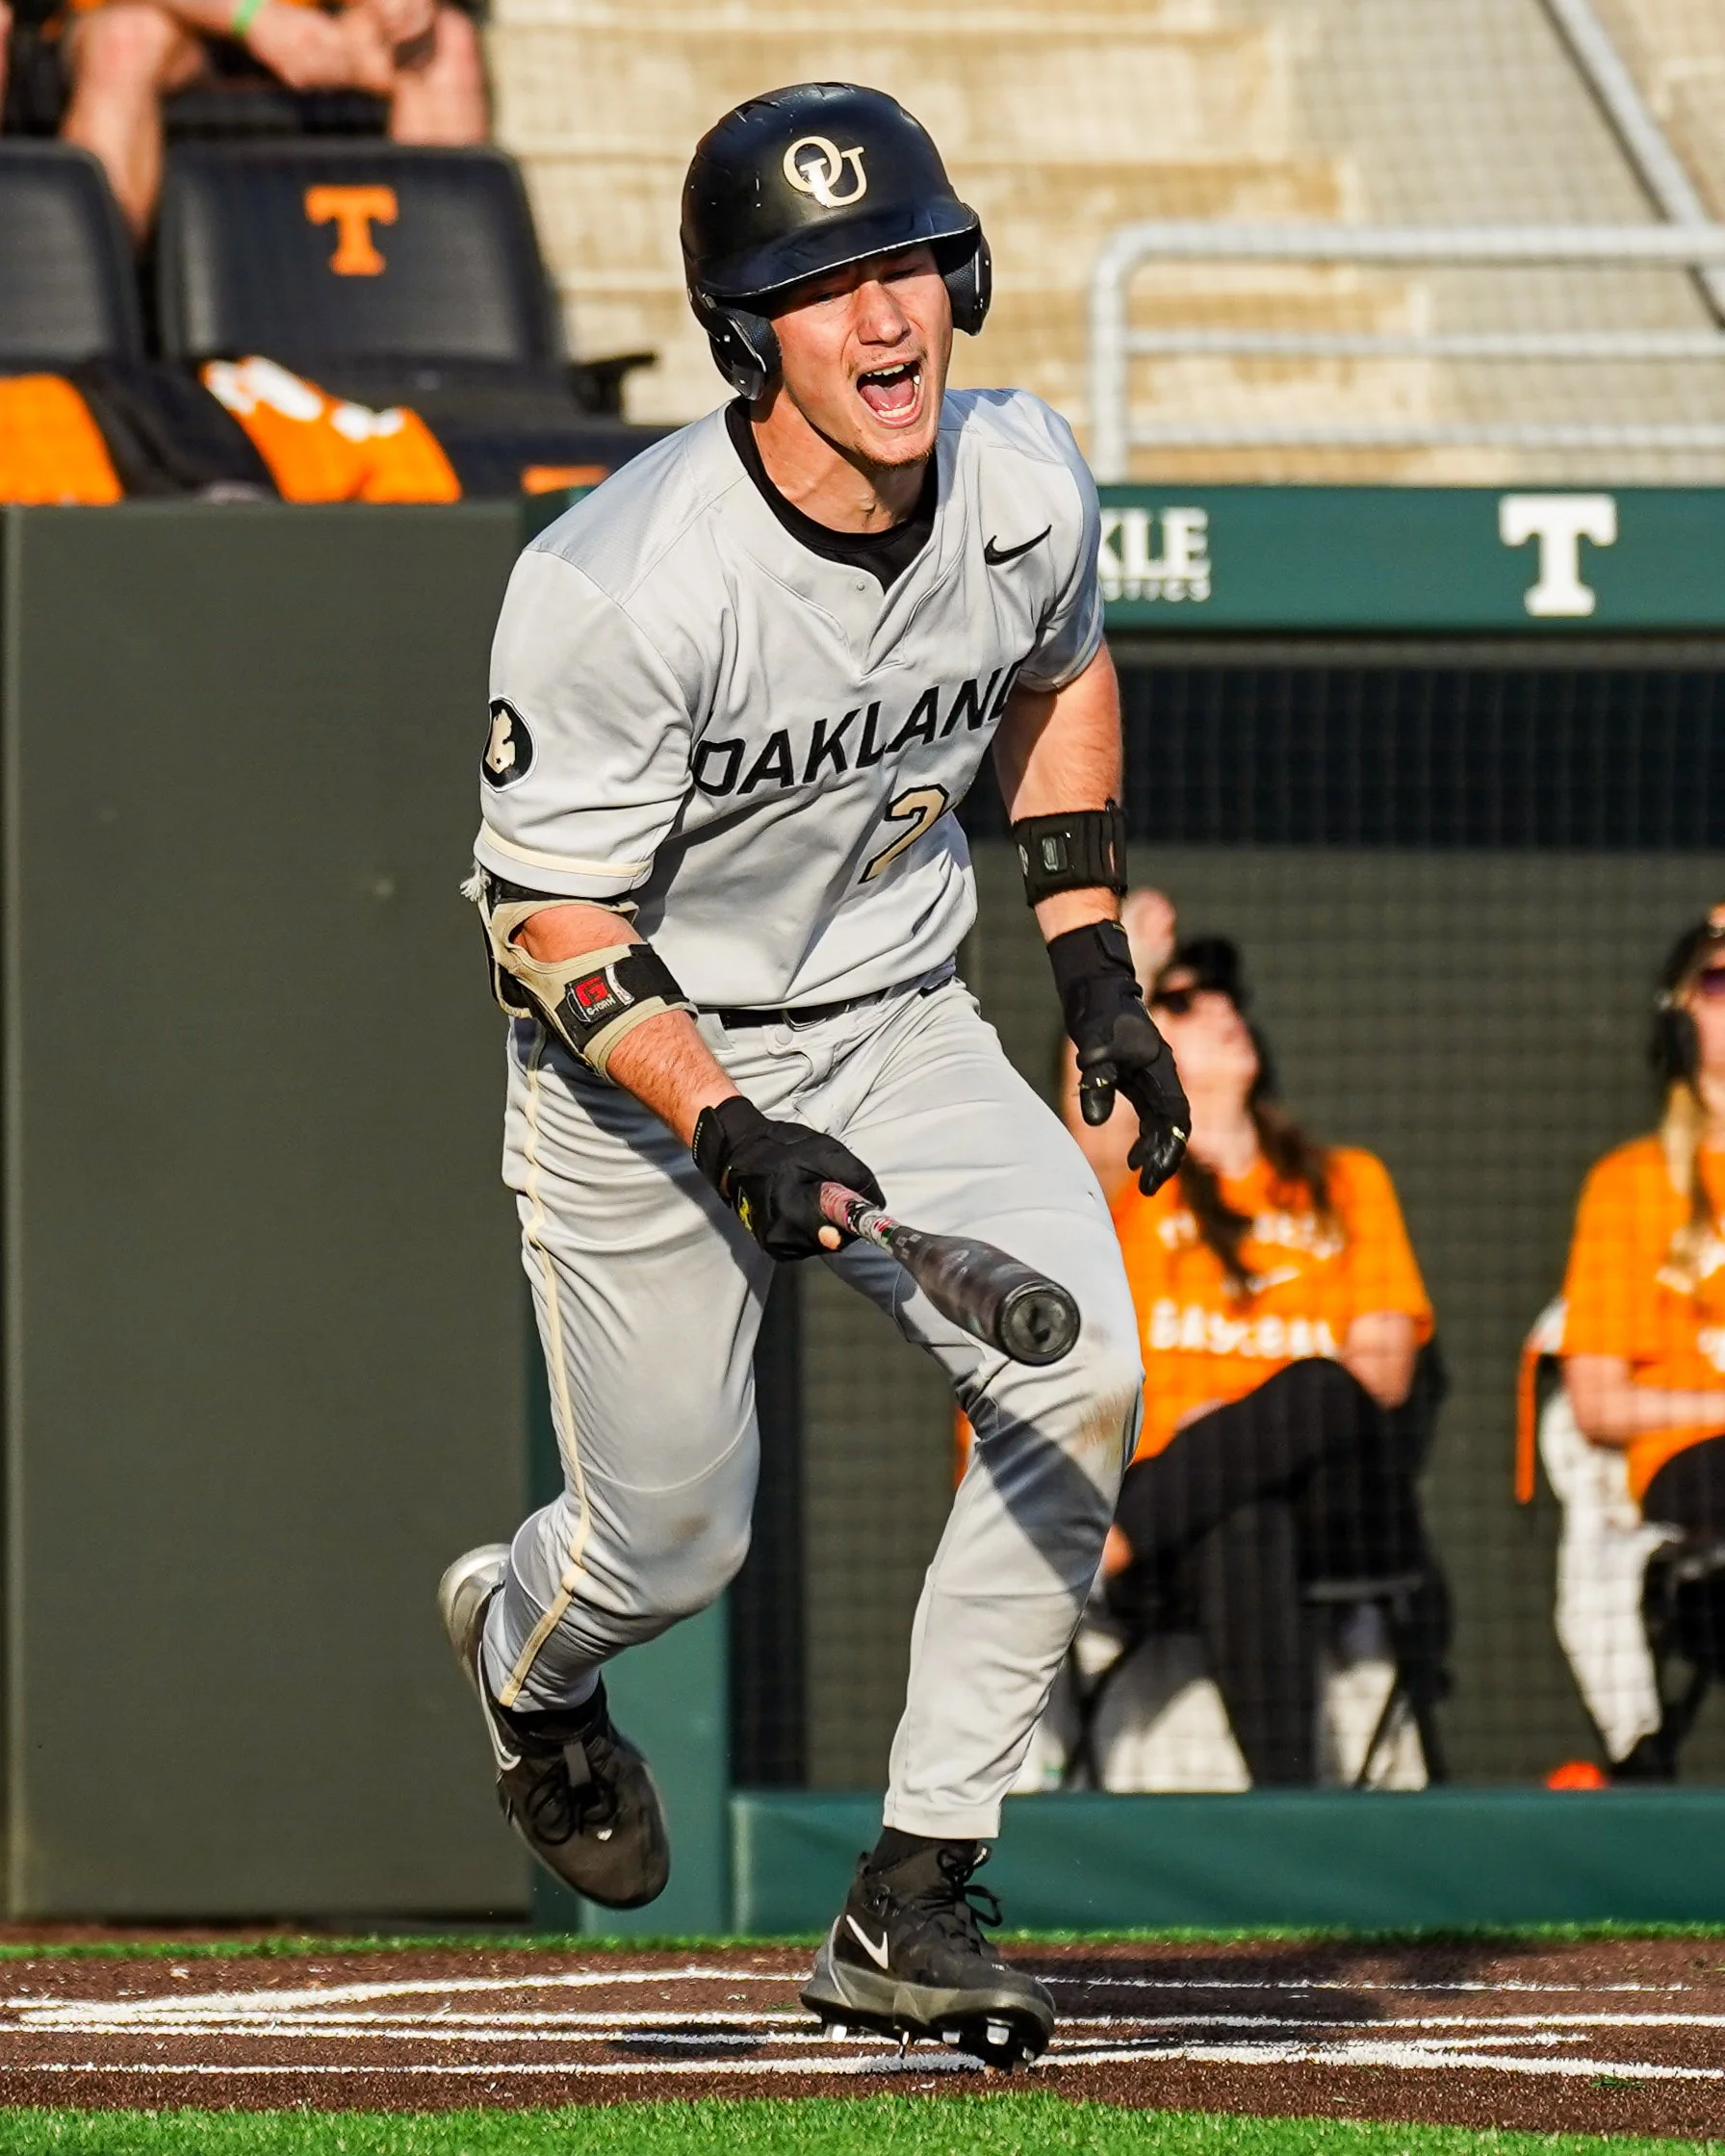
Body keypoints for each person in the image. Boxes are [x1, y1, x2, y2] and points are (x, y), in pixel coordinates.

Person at [434, 83, 1190, 2069]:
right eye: (821, 283)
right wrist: (725, 1121)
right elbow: (545, 917)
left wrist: (1093, 969)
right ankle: (525, 1665)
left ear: (962, 277)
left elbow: (1057, 675)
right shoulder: (623, 583)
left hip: (895, 1014)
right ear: (741, 331)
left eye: (904, 266)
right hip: (639, 1073)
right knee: (671, 1540)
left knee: (1080, 1367)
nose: (881, 320)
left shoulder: (1023, 480)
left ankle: (913, 1885)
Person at [1088, 926, 1433, 1784]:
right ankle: (1291, 1810)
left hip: (1333, 1507)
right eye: (1181, 1002)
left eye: (1225, 997)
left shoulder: (1349, 1180)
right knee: (1243, 1516)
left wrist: (1232, 1431)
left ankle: (1115, 1538)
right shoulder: (1132, 1189)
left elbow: (1384, 1373)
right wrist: (1113, 972)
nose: (1220, 1010)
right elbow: (1085, 1138)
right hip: (1198, 1539)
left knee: (1323, 1387)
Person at [1558, 902, 1725, 1715]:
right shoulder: (1628, 1185)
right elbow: (1598, 1401)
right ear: (1680, 1022)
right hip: (1693, 1461)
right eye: (1720, 982)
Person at [57, 0, 485, 240]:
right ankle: (91, 297)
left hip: (310, 22)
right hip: (156, 17)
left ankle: (436, 289)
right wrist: (251, 18)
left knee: (443, 46)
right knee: (125, 43)